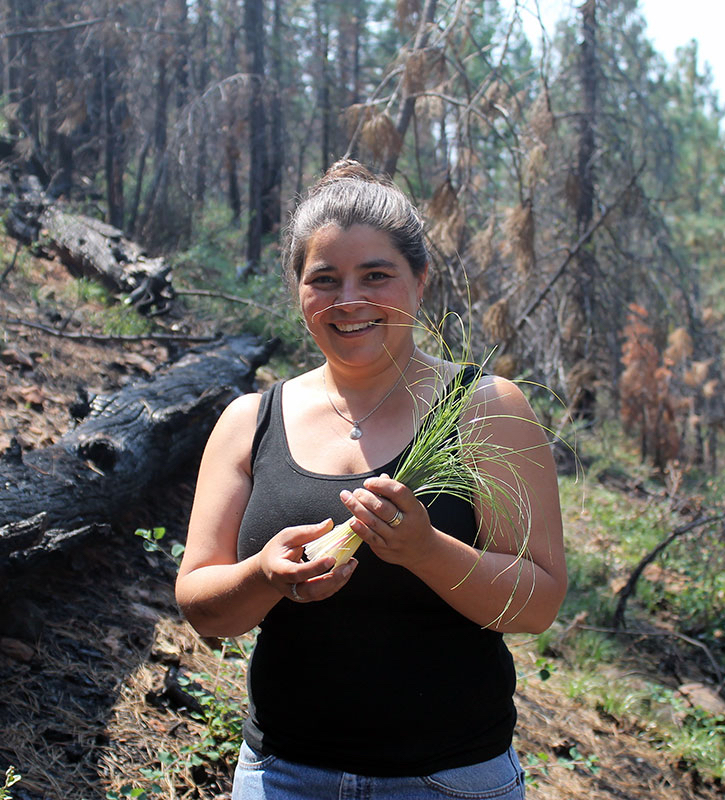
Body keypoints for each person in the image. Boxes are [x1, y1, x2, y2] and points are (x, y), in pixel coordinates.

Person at [175, 159, 566, 799]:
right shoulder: (251, 420)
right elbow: (201, 604)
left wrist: (426, 551)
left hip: (449, 780)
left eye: (376, 275)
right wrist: (265, 576)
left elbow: (539, 602)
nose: (349, 299)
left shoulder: (485, 409)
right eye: (324, 279)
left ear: (420, 281)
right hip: (283, 777)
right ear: (299, 291)